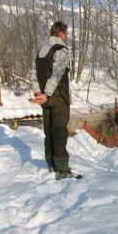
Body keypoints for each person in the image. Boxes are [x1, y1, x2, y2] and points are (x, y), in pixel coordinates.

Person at [31, 21, 81, 180]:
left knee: (49, 131)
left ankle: (51, 163)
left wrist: (38, 93)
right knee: (60, 131)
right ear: (61, 33)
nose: (66, 37)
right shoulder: (61, 49)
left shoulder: (42, 50)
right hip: (58, 97)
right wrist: (47, 93)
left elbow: (34, 75)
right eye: (66, 33)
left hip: (44, 99)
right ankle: (62, 170)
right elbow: (57, 74)